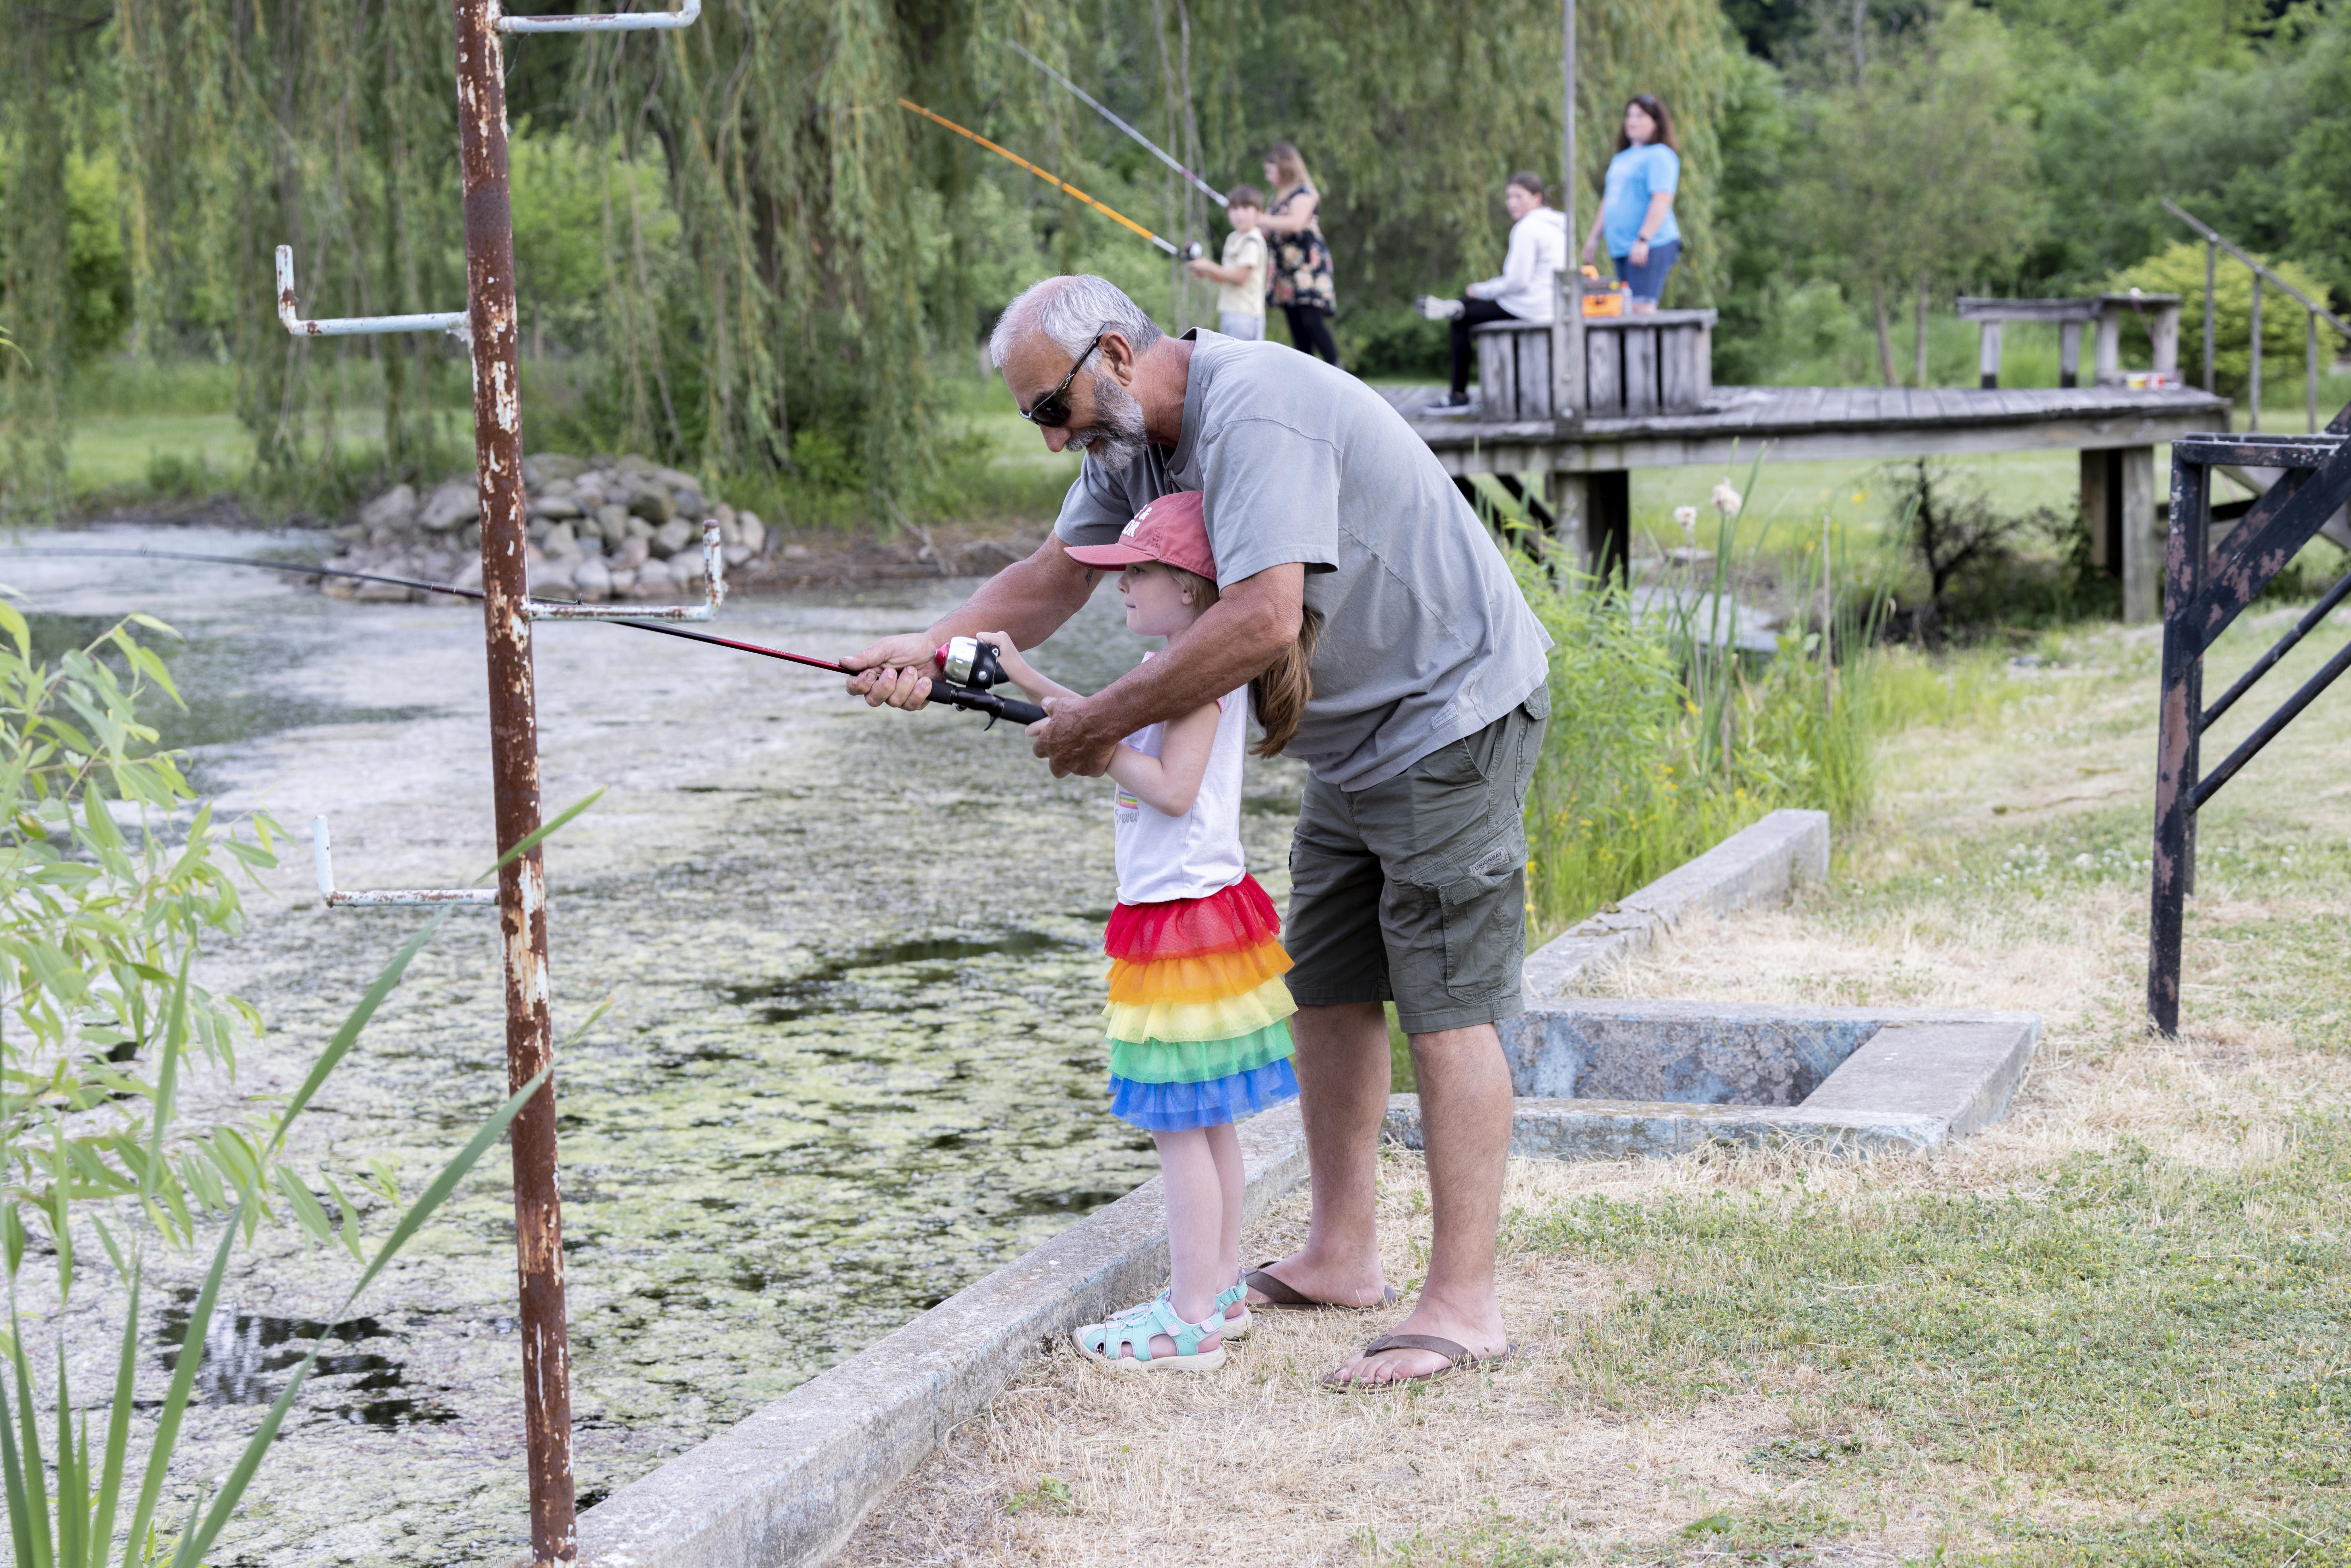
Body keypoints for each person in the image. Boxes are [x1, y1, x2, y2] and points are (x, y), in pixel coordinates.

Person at [843, 274, 1552, 1389]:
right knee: (1326, 986)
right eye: (1035, 418)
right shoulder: (1127, 446)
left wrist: (1098, 721)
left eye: (1052, 408)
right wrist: (926, 649)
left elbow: (1262, 617)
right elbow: (1050, 580)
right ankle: (1341, 1255)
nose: (1051, 439)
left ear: (1116, 355)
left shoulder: (1253, 408)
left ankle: (1463, 1305)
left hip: (1447, 706)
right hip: (1349, 741)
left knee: (1446, 1000)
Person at [977, 488, 1313, 1371]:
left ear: (1192, 588)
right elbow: (1105, 715)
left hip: (1181, 924)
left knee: (1180, 1128)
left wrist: (1100, 750)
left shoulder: (1197, 685)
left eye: (1138, 573)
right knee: (1208, 1119)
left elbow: (1169, 788)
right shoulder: (1175, 669)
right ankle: (1222, 1292)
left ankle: (1190, 1319)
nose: (1121, 587)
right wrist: (1025, 677)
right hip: (1200, 914)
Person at [1420, 172, 1571, 413]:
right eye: (1509, 197)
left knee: (1460, 320)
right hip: (1550, 304)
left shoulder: (1527, 228)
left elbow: (1517, 282)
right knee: (1468, 305)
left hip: (1529, 306)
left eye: (1519, 197)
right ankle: (1458, 304)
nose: (1512, 203)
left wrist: (1481, 290)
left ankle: (1458, 397)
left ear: (1537, 197)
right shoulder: (1559, 225)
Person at [1580, 94, 1681, 313]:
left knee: (1641, 309)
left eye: (1640, 116)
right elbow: (1610, 200)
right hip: (1622, 247)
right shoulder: (1621, 159)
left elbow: (1662, 199)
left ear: (1656, 123)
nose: (1632, 121)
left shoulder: (1660, 155)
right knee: (1624, 308)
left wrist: (1644, 239)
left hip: (1650, 245)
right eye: (1629, 116)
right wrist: (1594, 238)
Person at [1257, 143, 1340, 365]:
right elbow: (1268, 232)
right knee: (1297, 327)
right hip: (1286, 271)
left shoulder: (1305, 193)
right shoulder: (1275, 200)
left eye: (1270, 171)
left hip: (1308, 268)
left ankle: (1339, 370)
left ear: (1285, 167)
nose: (1268, 177)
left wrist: (1262, 219)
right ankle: (1307, 378)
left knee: (1312, 322)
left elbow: (1295, 223)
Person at [1187, 185, 1270, 342]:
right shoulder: (1233, 238)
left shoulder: (1252, 241)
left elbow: (1240, 278)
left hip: (1246, 316)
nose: (1239, 213)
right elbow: (1226, 277)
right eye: (1234, 208)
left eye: (1246, 208)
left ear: (1259, 213)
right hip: (1229, 312)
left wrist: (1209, 265)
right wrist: (1206, 272)